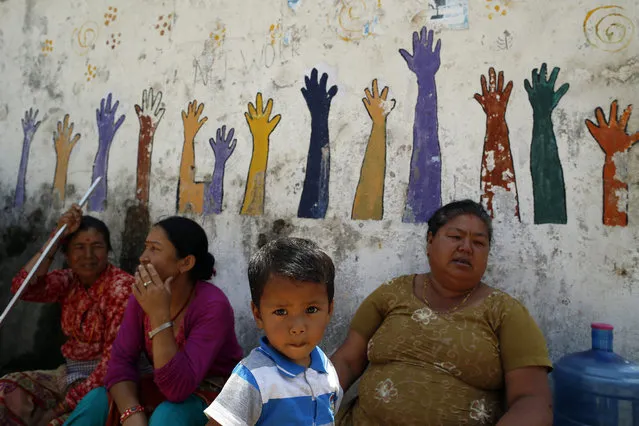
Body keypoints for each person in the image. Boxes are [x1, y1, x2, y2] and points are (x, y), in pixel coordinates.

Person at [331, 200, 553, 426]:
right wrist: (311, 405)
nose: (466, 247)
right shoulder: (392, 293)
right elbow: (348, 360)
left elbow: (532, 400)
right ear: (430, 241)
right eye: (456, 237)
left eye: (478, 242)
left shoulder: (506, 313)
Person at [63, 216, 243, 426]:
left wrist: (158, 316)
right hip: (161, 388)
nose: (143, 257)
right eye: (145, 247)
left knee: (167, 416)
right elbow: (120, 363)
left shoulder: (212, 306)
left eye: (154, 249)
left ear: (185, 263)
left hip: (209, 397)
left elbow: (177, 389)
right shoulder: (142, 295)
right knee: (95, 401)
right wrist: (131, 413)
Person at [0, 204, 134, 426]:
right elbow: (22, 287)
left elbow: (111, 366)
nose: (88, 255)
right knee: (6, 390)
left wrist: (55, 411)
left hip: (105, 382)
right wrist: (56, 237)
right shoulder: (69, 280)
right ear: (67, 254)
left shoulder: (121, 288)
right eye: (79, 247)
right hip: (68, 374)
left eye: (97, 246)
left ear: (108, 250)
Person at [204, 237, 342, 426]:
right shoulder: (253, 378)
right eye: (281, 312)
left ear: (329, 310)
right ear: (258, 315)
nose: (297, 327)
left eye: (311, 310)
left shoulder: (326, 370)